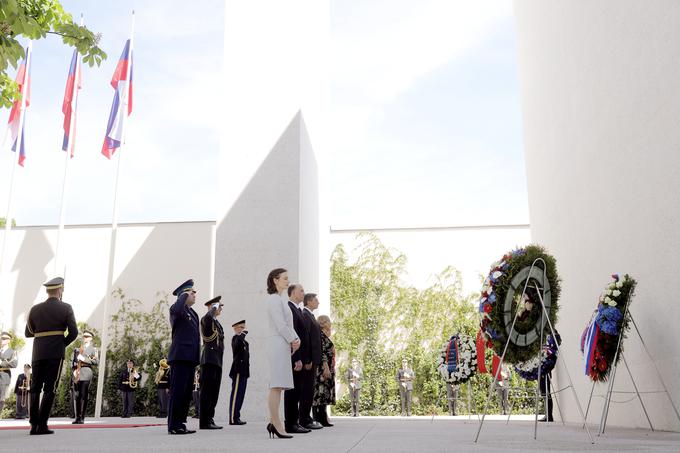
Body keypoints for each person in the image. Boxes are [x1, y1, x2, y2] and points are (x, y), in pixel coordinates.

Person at [25, 277, 78, 435]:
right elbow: (74, 332)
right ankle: (42, 425)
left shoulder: (34, 309)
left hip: (38, 352)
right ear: (60, 290)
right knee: (50, 388)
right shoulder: (66, 307)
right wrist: (62, 343)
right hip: (55, 353)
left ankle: (33, 424)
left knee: (35, 388)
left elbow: (28, 332)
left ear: (48, 291)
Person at [265, 268, 300, 439]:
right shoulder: (273, 300)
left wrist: (296, 338)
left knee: (279, 386)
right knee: (276, 385)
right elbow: (280, 324)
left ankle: (274, 422)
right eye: (284, 278)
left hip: (283, 343)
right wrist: (293, 339)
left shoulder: (281, 300)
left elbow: (289, 325)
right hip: (277, 343)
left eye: (288, 278)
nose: (287, 281)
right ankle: (276, 423)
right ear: (275, 280)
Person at [167, 279, 201, 435]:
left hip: (190, 358)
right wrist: (182, 296)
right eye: (191, 292)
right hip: (180, 357)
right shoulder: (178, 310)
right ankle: (173, 425)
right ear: (184, 294)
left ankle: (181, 423)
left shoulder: (193, 313)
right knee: (178, 391)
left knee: (186, 394)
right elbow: (176, 309)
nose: (195, 294)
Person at [284, 283, 311, 434]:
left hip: (300, 356)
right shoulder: (290, 309)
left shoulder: (297, 309)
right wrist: (297, 358)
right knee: (292, 392)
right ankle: (290, 424)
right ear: (293, 293)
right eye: (301, 291)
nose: (303, 293)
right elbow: (293, 336)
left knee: (297, 391)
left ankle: (295, 422)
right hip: (295, 356)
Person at [199, 295, 225, 430]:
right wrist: (212, 308)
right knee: (207, 392)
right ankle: (204, 421)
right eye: (218, 306)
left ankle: (210, 418)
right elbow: (208, 318)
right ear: (212, 307)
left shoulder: (217, 323)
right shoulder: (206, 319)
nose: (220, 308)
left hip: (217, 360)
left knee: (214, 392)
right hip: (208, 359)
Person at [300, 293, 323, 430]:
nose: (318, 302)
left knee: (309, 390)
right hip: (309, 361)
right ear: (308, 302)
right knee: (306, 391)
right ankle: (304, 419)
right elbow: (306, 340)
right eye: (316, 300)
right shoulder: (305, 315)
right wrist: (307, 359)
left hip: (313, 360)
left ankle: (306, 418)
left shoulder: (310, 315)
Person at [71, 330, 98, 424]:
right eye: (84, 337)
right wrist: (73, 370)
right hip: (77, 373)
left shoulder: (93, 349)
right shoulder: (78, 349)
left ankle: (82, 417)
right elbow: (73, 362)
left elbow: (96, 362)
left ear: (91, 338)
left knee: (83, 395)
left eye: (87, 337)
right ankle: (77, 417)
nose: (85, 338)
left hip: (86, 372)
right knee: (77, 396)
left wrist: (84, 359)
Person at [313, 314, 335, 427]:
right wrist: (326, 368)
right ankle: (319, 418)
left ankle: (322, 417)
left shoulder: (324, 334)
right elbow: (323, 353)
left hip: (327, 368)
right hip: (323, 369)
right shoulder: (320, 336)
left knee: (324, 393)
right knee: (320, 393)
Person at [229, 319, 249, 426]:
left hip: (244, 372)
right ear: (236, 328)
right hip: (237, 371)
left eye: (244, 328)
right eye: (241, 327)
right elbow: (237, 345)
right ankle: (233, 418)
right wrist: (243, 334)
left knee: (241, 395)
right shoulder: (236, 339)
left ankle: (237, 416)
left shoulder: (245, 342)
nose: (243, 330)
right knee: (236, 394)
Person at [0, 331, 18, 414]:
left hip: (4, 375)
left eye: (4, 338)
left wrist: (1, 363)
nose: (2, 340)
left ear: (9, 340)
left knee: (1, 396)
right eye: (1, 338)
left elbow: (14, 364)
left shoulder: (12, 352)